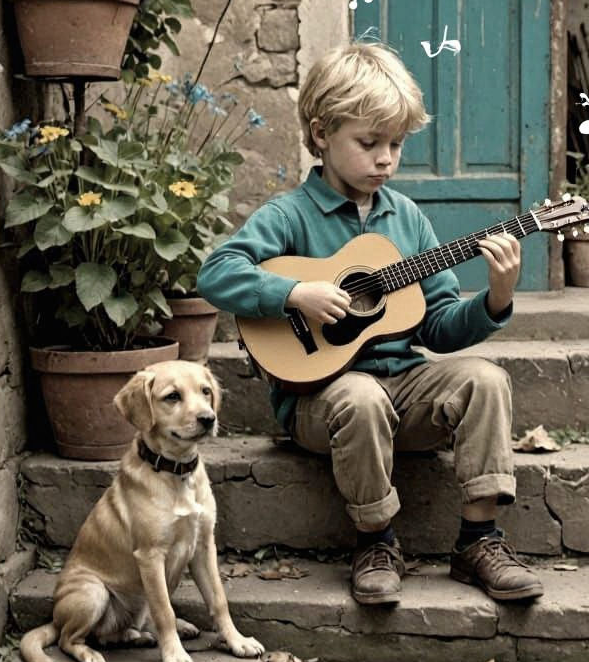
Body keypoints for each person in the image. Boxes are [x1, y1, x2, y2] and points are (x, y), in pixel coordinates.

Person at [196, 42, 542, 607]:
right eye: (369, 143)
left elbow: (438, 326)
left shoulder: (407, 219)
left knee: (485, 379)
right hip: (320, 403)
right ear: (321, 134)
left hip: (403, 391)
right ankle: (376, 542)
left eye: (396, 144)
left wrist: (496, 297)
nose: (386, 159)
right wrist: (293, 293)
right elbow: (216, 273)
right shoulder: (288, 216)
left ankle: (479, 540)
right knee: (359, 394)